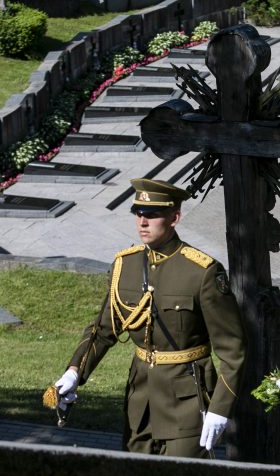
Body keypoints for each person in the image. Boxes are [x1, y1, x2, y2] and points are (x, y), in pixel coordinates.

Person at [54, 178, 247, 457]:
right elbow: (103, 330)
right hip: (140, 400)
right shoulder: (126, 265)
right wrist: (75, 372)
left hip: (186, 402)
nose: (142, 222)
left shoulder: (202, 272)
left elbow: (234, 350)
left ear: (174, 218)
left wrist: (220, 408)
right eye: (138, 214)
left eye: (152, 215)